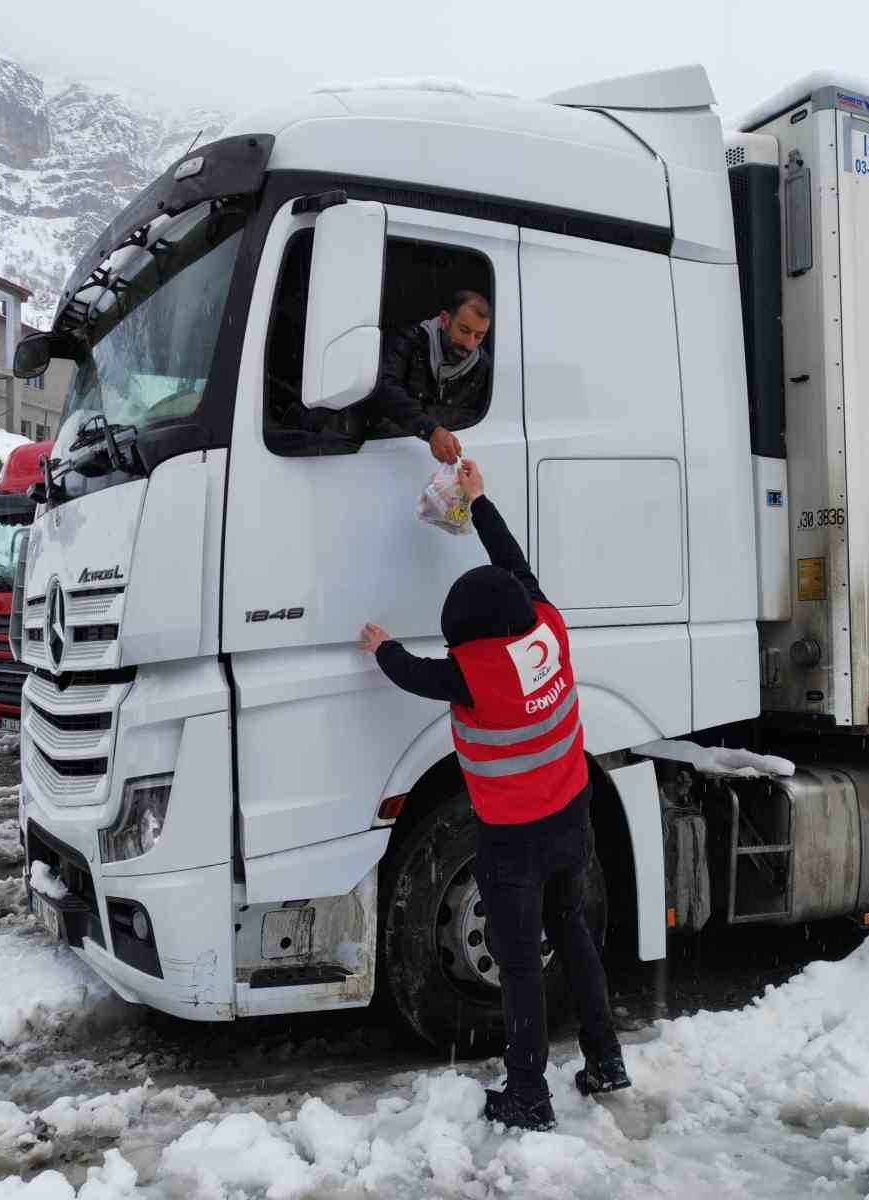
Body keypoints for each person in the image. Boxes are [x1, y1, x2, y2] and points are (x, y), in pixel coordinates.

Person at [358, 459, 631, 1132]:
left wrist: (379, 647)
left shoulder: (473, 673)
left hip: (514, 842)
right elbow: (515, 563)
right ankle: (605, 1060)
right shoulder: (548, 627)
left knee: (519, 969)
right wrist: (479, 504)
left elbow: (412, 674)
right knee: (572, 938)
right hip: (573, 819)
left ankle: (528, 1095)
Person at [369, 290, 493, 465]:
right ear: (444, 320)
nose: (469, 344)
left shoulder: (483, 366)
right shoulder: (408, 342)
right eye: (464, 331)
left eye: (479, 336)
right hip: (387, 456)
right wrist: (431, 430)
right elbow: (384, 389)